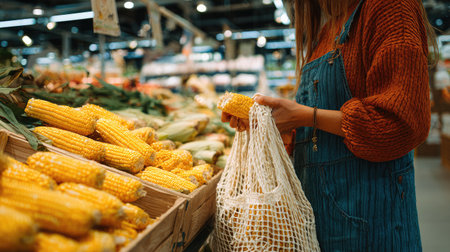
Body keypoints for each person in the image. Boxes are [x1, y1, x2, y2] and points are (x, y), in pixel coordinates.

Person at [222, 0, 438, 250]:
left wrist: (307, 116)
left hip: (372, 222)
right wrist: (283, 129)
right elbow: (322, 125)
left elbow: (403, 122)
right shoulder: (328, 29)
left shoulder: (391, 7)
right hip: (318, 219)